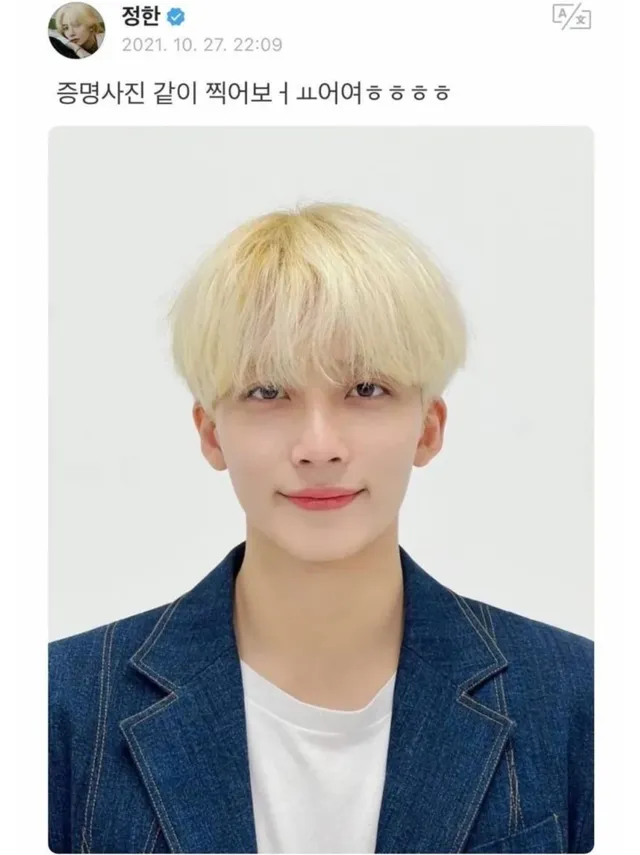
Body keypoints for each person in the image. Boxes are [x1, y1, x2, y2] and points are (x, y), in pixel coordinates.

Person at [48, 203, 594, 854]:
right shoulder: (59, 706)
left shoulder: (580, 697)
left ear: (428, 428)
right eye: (266, 392)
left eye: (365, 389)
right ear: (210, 432)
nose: (318, 447)